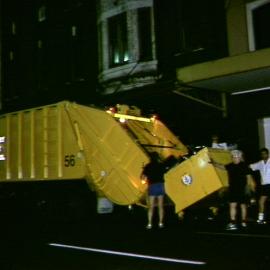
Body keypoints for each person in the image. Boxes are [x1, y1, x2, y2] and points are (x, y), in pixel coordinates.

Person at [225, 150, 255, 230]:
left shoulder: (245, 166)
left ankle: (244, 222)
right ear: (232, 158)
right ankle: (233, 223)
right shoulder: (230, 165)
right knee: (232, 205)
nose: (235, 158)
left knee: (243, 206)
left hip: (243, 189)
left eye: (237, 157)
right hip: (233, 189)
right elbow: (222, 166)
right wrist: (214, 163)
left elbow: (249, 178)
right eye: (234, 157)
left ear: (240, 157)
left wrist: (250, 190)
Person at [141, 152, 166, 229]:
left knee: (151, 206)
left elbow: (142, 177)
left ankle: (149, 224)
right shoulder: (161, 165)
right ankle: (161, 223)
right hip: (161, 185)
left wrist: (145, 179)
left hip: (152, 186)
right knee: (160, 206)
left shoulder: (148, 166)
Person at [250, 148, 270, 224]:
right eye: (262, 154)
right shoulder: (260, 163)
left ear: (268, 154)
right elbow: (250, 166)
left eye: (265, 153)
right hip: (264, 186)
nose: (263, 155)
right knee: (261, 201)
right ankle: (261, 219)